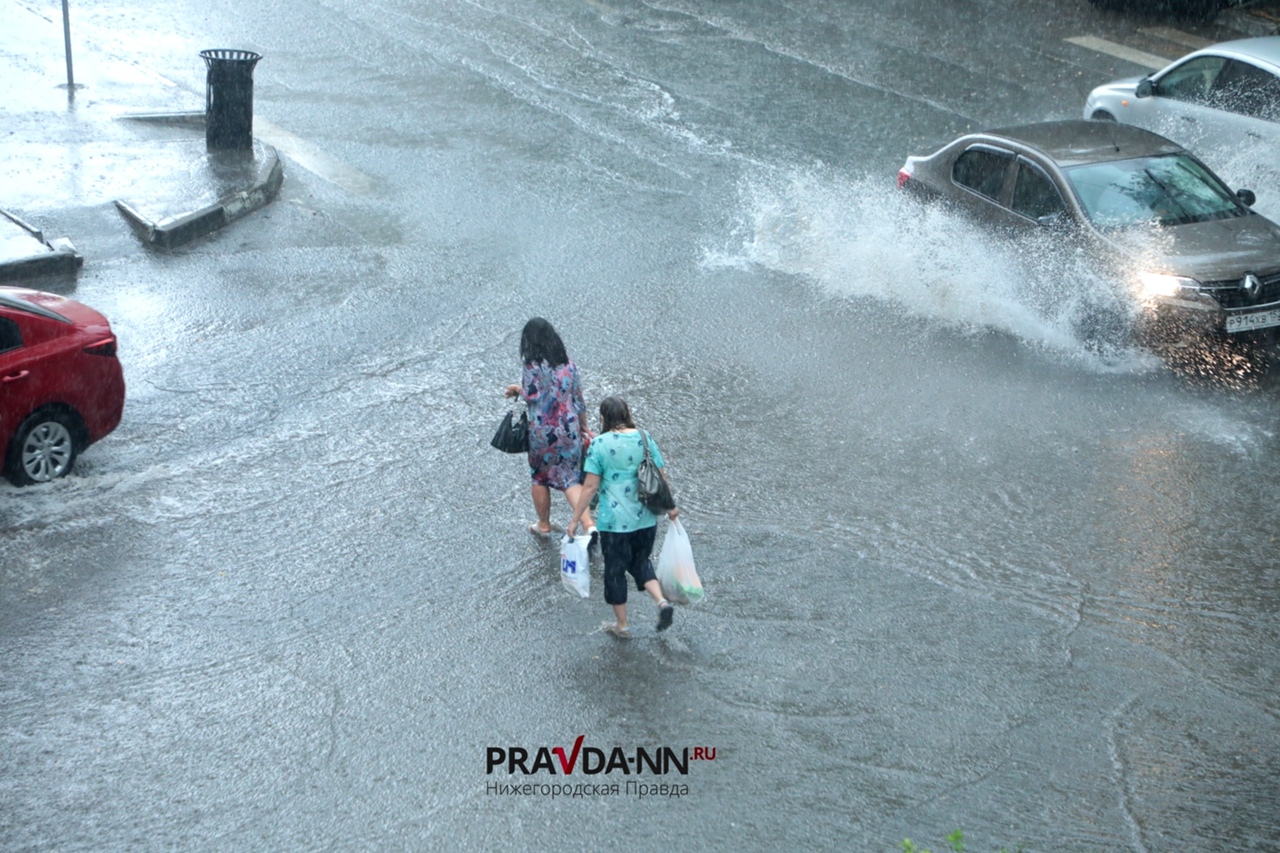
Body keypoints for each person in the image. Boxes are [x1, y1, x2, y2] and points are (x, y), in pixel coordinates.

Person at [568, 396, 678, 638]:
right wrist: (670, 507)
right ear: (627, 413)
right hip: (646, 519)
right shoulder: (644, 437)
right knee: (640, 562)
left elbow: (589, 487)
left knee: (615, 572)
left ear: (604, 417)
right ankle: (661, 602)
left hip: (615, 523)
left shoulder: (599, 444)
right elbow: (660, 475)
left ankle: (623, 626)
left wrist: (576, 520)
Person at [504, 318, 593, 536]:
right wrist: (584, 426)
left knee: (539, 477)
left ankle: (543, 524)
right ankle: (589, 525)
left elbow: (532, 395)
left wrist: (517, 390)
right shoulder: (568, 364)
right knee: (570, 479)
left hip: (542, 432)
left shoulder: (531, 366)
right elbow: (578, 399)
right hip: (569, 428)